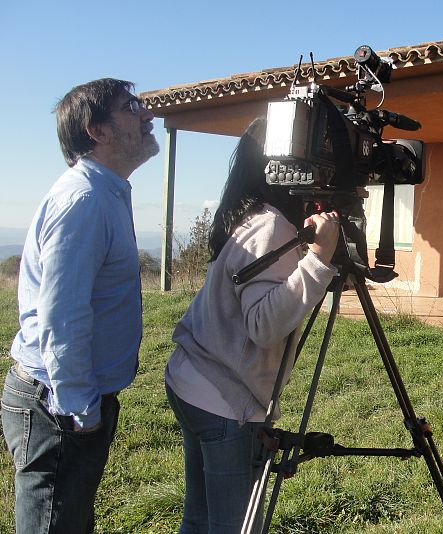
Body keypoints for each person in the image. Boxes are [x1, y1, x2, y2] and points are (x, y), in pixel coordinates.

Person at [164, 116, 340, 532]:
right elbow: (262, 324)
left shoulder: (249, 213)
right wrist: (319, 260)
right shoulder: (271, 225)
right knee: (235, 526)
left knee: (200, 517)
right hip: (222, 399)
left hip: (193, 381)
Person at [1, 78, 159, 532]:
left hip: (71, 399)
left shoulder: (105, 191)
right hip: (59, 403)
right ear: (97, 130)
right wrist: (79, 409)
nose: (148, 115)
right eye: (132, 107)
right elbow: (62, 316)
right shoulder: (85, 200)